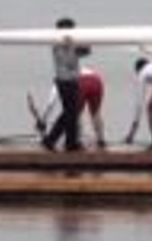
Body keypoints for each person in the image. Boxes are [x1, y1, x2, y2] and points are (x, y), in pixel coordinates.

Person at [42, 18, 92, 152]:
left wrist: (80, 43)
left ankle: (62, 141)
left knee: (71, 112)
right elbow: (68, 61)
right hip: (65, 81)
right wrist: (71, 46)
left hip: (71, 80)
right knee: (71, 113)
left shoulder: (68, 43)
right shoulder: (57, 44)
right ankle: (63, 141)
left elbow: (86, 52)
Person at [38, 66, 107, 149]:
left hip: (81, 82)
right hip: (96, 80)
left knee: (75, 114)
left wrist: (44, 119)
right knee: (96, 112)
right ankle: (101, 140)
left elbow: (50, 103)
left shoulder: (59, 80)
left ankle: (77, 140)